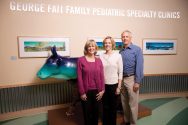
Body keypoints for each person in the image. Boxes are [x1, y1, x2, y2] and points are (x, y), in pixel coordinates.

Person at [77, 39, 105, 125]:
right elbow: (79, 77)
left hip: (97, 91)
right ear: (86, 48)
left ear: (95, 48)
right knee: (87, 114)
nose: (91, 48)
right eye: (89, 46)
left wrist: (102, 90)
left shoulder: (99, 61)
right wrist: (82, 93)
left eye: (93, 46)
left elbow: (102, 76)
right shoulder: (81, 60)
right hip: (86, 92)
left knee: (96, 114)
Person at [119, 30, 144, 125]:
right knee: (124, 103)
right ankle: (127, 121)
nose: (124, 38)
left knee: (132, 104)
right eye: (123, 37)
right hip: (122, 79)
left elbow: (140, 66)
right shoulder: (121, 51)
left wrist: (137, 81)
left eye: (126, 36)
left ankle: (133, 123)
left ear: (130, 38)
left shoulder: (137, 49)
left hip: (132, 79)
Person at [100, 36, 123, 125]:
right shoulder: (101, 56)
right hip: (103, 85)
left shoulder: (118, 56)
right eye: (105, 43)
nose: (107, 44)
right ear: (104, 44)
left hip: (114, 85)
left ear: (112, 44)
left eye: (109, 43)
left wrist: (119, 87)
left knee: (113, 108)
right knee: (105, 107)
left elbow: (120, 72)